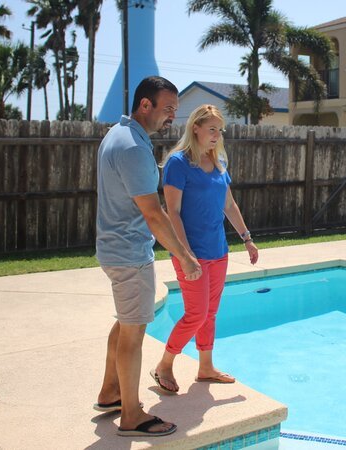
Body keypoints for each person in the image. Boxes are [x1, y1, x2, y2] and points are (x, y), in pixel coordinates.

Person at [93, 76, 202, 437]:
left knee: (126, 323)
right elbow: (154, 215)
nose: (173, 116)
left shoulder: (117, 134)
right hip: (128, 254)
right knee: (134, 334)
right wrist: (185, 257)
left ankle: (110, 392)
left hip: (113, 248)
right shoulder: (134, 149)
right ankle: (132, 415)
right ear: (145, 106)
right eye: (168, 108)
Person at [151, 104, 259, 393]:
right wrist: (186, 256)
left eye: (219, 130)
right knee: (196, 314)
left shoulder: (219, 161)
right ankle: (164, 364)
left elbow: (229, 205)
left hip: (218, 251)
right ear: (195, 128)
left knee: (209, 313)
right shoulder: (177, 163)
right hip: (190, 254)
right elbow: (172, 212)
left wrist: (246, 238)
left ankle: (206, 367)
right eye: (211, 129)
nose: (216, 135)